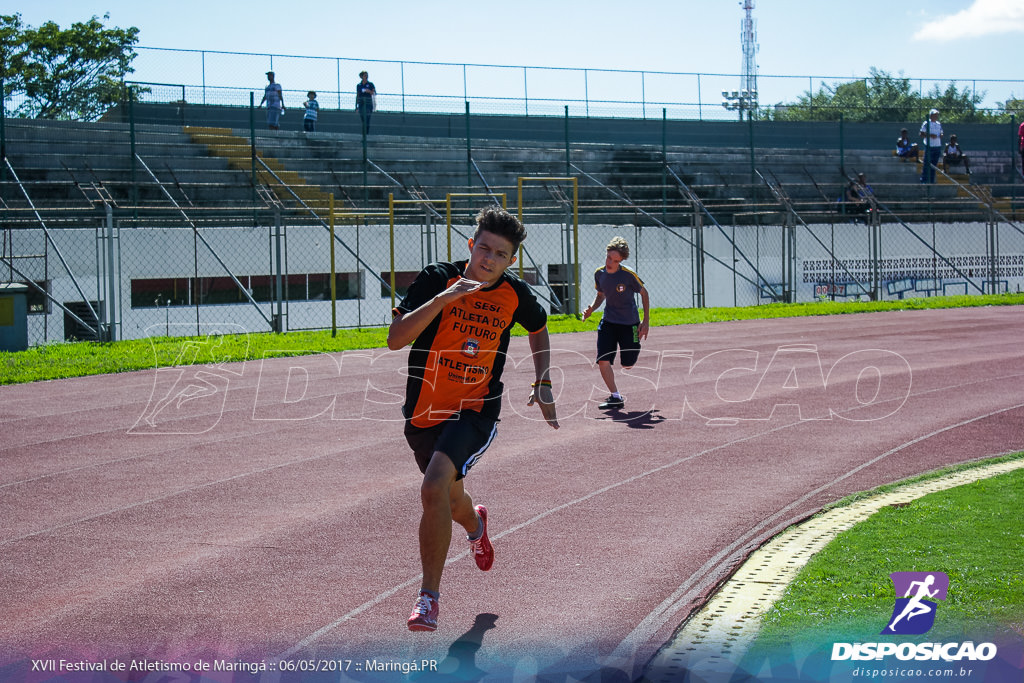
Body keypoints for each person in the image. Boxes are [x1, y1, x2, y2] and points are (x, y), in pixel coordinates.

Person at [387, 206, 559, 632]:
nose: (489, 259)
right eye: (484, 248)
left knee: (432, 487)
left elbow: (538, 327)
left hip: (476, 408)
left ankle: (428, 599)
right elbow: (396, 340)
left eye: (500, 254)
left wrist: (543, 380)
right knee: (449, 498)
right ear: (470, 245)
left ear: (511, 260)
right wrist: (447, 298)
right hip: (424, 411)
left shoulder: (514, 294)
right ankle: (477, 524)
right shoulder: (436, 278)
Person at [581, 236, 650, 411]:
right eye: (609, 258)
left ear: (621, 261)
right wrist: (591, 309)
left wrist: (646, 321)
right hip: (609, 322)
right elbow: (600, 295)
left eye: (615, 260)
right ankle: (616, 397)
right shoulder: (599, 273)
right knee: (603, 360)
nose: (611, 262)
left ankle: (633, 346)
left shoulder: (628, 275)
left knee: (627, 364)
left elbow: (644, 293)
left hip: (629, 323)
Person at [919, 108, 943, 183]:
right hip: (930, 146)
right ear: (930, 115)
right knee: (926, 164)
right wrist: (930, 135)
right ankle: (924, 181)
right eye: (934, 115)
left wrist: (941, 135)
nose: (936, 116)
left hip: (937, 146)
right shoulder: (926, 123)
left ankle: (931, 181)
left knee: (934, 165)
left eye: (937, 115)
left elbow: (941, 133)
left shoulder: (938, 124)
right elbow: (921, 134)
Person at [355, 70, 376, 135]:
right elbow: (358, 95)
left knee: (367, 119)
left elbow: (373, 93)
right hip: (361, 104)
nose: (366, 77)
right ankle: (364, 134)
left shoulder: (370, 84)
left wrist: (368, 91)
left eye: (367, 75)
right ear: (361, 77)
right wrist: (356, 106)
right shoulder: (359, 85)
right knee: (363, 120)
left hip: (368, 104)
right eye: (365, 75)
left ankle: (366, 134)